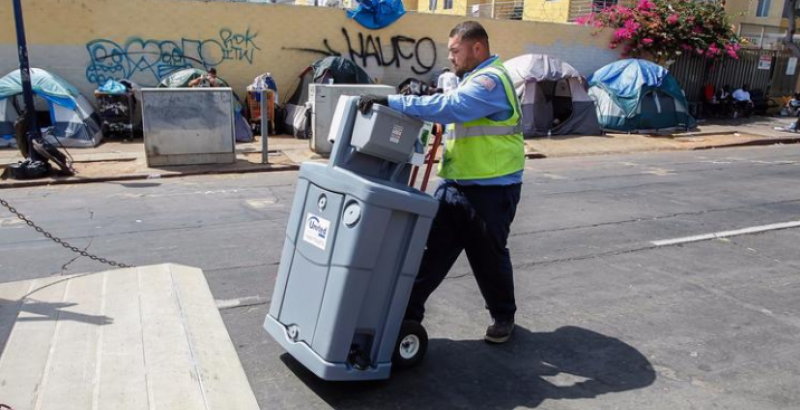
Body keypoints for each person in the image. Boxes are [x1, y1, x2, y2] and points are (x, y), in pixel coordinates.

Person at [358, 21, 525, 344]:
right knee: (428, 254)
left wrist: (395, 102)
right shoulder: (470, 79)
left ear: (477, 48)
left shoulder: (491, 81)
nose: (451, 58)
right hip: (454, 186)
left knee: (488, 258)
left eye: (455, 50)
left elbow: (452, 108)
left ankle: (503, 315)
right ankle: (406, 318)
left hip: (491, 190)